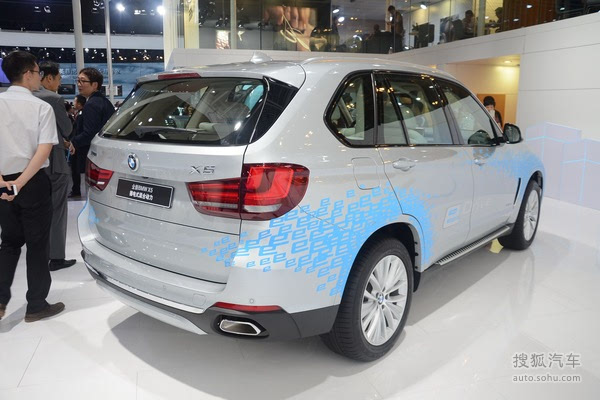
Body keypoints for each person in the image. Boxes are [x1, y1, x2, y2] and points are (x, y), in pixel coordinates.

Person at [0, 50, 65, 322]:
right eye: (38, 72)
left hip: (3, 182)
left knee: (9, 243)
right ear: (27, 74)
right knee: (38, 245)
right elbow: (44, 149)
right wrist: (20, 183)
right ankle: (36, 305)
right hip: (32, 182)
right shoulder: (41, 107)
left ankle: (0, 301)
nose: (40, 77)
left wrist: (4, 183)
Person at [33, 61, 77, 272]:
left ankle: (37, 254)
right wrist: (65, 138)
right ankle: (57, 257)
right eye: (58, 79)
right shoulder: (53, 99)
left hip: (29, 164)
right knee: (57, 210)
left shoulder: (24, 97)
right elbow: (66, 128)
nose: (59, 84)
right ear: (49, 78)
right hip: (53, 163)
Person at [69, 68, 114, 198]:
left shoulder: (92, 104)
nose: (79, 84)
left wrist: (72, 142)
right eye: (78, 80)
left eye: (83, 81)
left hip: (96, 155)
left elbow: (89, 133)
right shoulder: (103, 101)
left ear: (95, 85)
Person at [69, 94, 86, 198]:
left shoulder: (82, 115)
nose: (73, 103)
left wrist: (74, 141)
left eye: (75, 101)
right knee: (75, 169)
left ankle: (76, 190)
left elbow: (78, 130)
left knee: (75, 169)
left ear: (79, 104)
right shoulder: (79, 113)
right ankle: (75, 189)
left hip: (78, 146)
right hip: (77, 144)